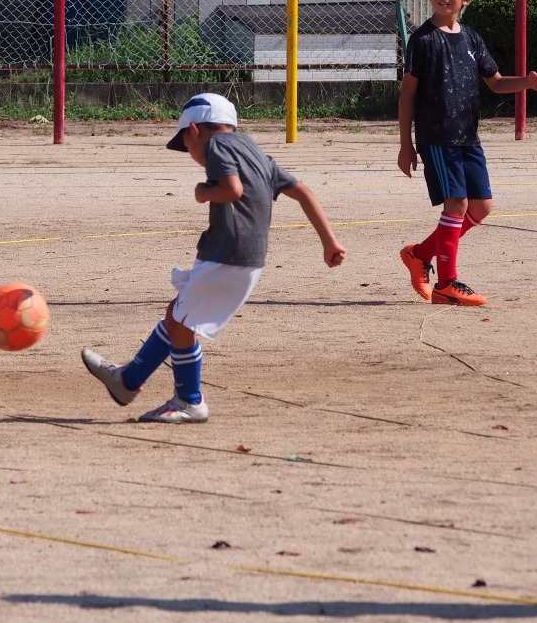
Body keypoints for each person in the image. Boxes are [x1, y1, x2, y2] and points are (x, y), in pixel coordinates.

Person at [81, 93, 347, 424]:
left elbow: (232, 190)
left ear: (194, 130)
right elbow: (303, 191)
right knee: (178, 315)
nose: (192, 155)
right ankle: (128, 381)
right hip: (246, 256)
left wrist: (203, 192)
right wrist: (329, 241)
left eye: (186, 145)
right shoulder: (255, 151)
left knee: (183, 322)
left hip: (229, 253)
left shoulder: (217, 146)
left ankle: (188, 401)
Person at [398, 0, 537, 307]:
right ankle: (446, 284)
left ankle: (419, 254)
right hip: (438, 138)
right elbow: (407, 95)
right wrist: (406, 145)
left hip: (468, 137)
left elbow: (496, 82)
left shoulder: (471, 39)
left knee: (481, 207)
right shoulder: (422, 40)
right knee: (457, 203)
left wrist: (525, 82)